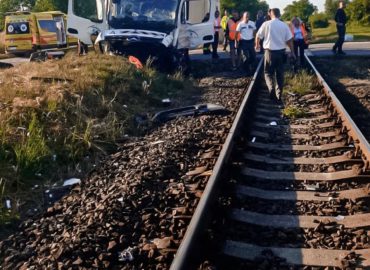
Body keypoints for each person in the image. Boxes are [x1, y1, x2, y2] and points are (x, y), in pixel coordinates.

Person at [255, 8, 296, 102]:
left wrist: (257, 45)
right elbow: (289, 40)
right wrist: (292, 52)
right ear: (279, 14)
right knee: (280, 74)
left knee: (268, 73)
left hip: (269, 52)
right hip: (281, 53)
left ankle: (271, 89)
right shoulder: (284, 25)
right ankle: (279, 95)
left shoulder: (266, 24)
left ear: (270, 14)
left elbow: (258, 35)